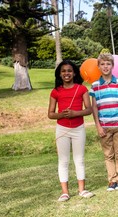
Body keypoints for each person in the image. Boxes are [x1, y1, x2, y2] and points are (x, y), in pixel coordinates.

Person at [48, 60, 94, 202]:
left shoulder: (81, 89)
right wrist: (61, 115)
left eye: (69, 71)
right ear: (59, 74)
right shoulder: (56, 91)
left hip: (78, 129)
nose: (66, 73)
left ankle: (82, 189)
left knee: (79, 160)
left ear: (74, 73)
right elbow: (50, 114)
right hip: (62, 129)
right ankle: (65, 192)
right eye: (63, 71)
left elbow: (89, 109)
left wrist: (75, 113)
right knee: (63, 161)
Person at [89, 53, 118, 191]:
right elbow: (94, 108)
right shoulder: (95, 86)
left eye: (108, 64)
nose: (105, 67)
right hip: (104, 127)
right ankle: (111, 180)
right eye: (103, 64)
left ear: (112, 66)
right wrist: (98, 126)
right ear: (99, 66)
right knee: (108, 155)